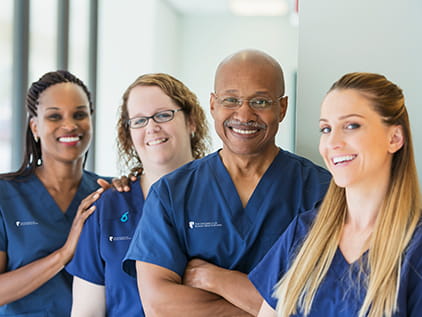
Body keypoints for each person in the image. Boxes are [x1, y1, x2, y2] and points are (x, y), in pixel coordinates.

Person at [123, 49, 331, 316]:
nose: (244, 115)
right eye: (231, 100)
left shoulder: (320, 191)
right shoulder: (171, 193)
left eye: (260, 102)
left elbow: (322, 302)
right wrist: (269, 310)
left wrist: (214, 278)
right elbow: (159, 305)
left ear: (282, 108)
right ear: (213, 105)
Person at [250, 72, 422, 317]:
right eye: (326, 128)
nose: (332, 142)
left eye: (351, 126)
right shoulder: (304, 232)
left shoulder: (415, 248)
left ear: (394, 138)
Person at [66, 73, 210, 316]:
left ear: (191, 121)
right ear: (129, 134)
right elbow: (87, 311)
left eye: (163, 115)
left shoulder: (223, 199)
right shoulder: (105, 208)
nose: (152, 127)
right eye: (139, 120)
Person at [0, 70, 112, 315]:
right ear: (35, 127)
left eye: (79, 114)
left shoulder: (109, 193)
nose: (69, 125)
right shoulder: (4, 196)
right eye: (54, 116)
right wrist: (64, 254)